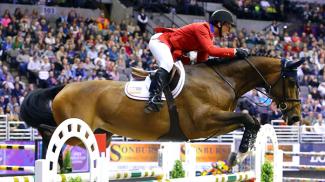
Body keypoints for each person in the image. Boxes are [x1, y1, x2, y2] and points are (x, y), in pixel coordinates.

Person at [144, 9, 249, 113]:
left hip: (172, 49)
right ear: (219, 24)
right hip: (161, 41)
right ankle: (153, 97)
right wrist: (235, 51)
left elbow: (201, 63)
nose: (229, 31)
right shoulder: (202, 28)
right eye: (228, 26)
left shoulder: (209, 37)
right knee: (167, 64)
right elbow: (211, 50)